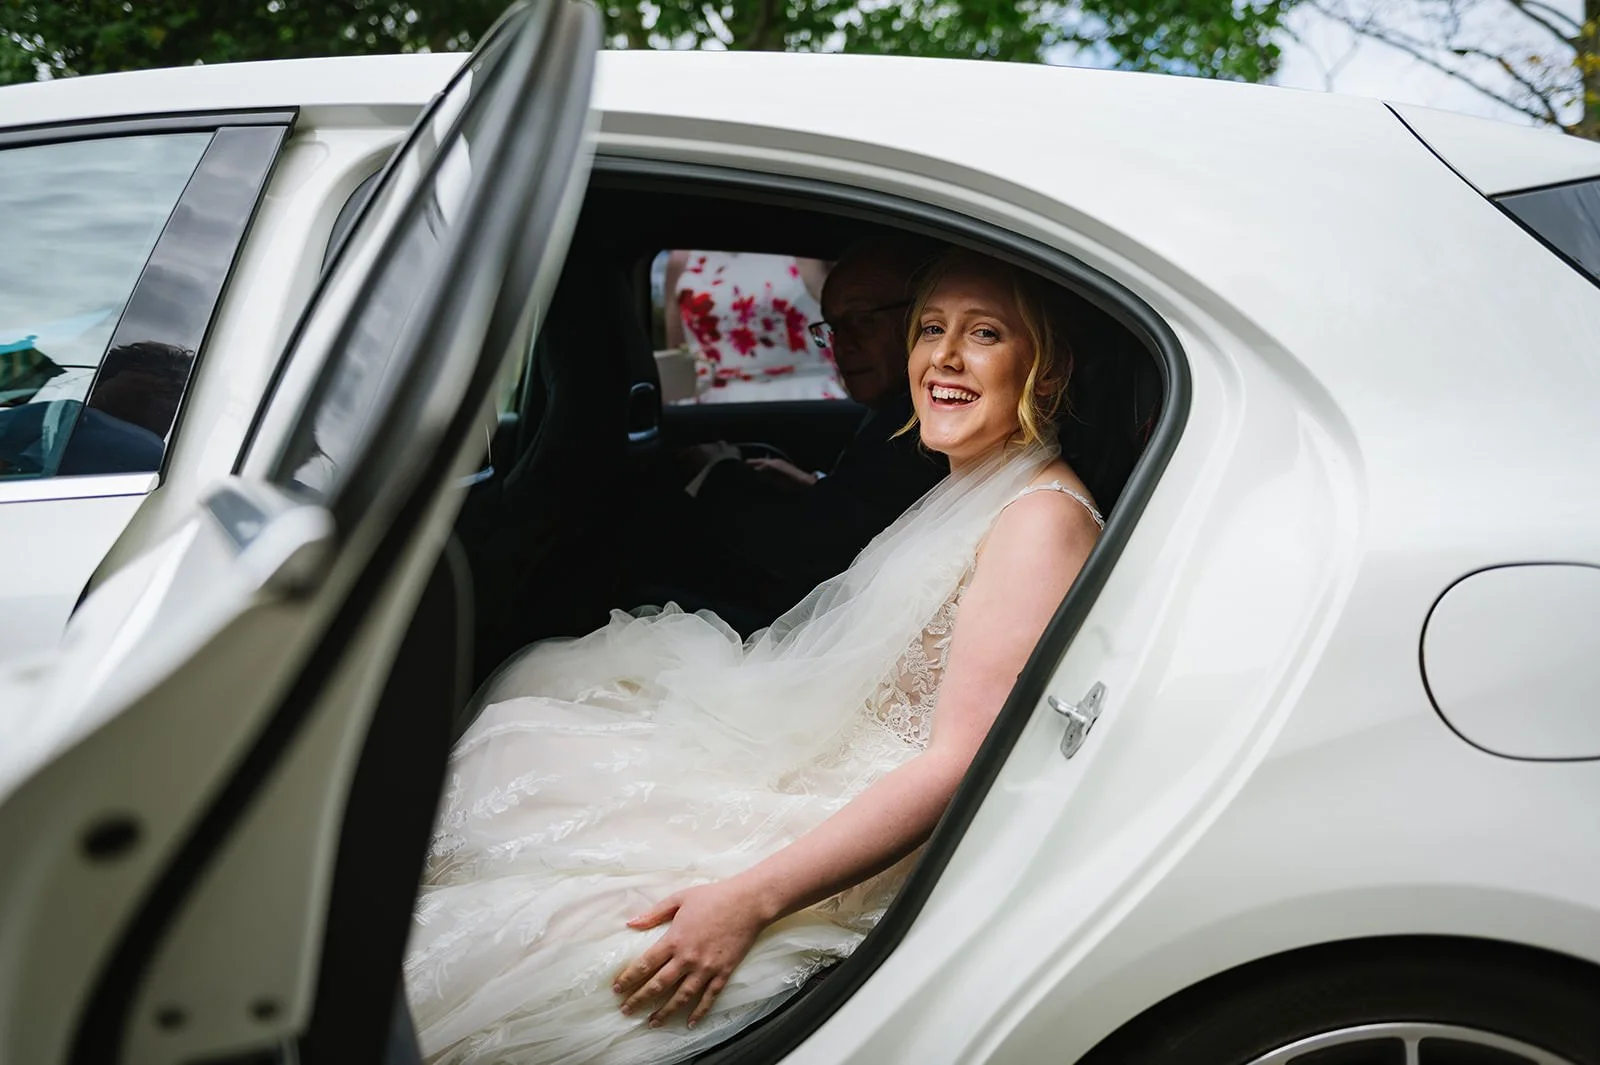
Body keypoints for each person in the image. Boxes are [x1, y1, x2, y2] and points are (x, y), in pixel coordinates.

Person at [404, 250, 1105, 1065]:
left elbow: (957, 763)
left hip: (860, 822)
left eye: (983, 334)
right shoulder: (978, 483)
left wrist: (750, 898)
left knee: (543, 931)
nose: (943, 357)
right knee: (525, 731)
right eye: (930, 330)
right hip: (824, 757)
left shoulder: (1038, 521)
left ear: (1045, 374)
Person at [658, 239, 950, 629]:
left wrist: (715, 474)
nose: (843, 345)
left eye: (863, 319)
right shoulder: (894, 408)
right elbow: (863, 513)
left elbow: (815, 551)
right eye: (832, 327)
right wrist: (816, 486)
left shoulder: (921, 425)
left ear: (926, 321)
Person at [664, 250, 844, 402]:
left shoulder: (809, 251)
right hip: (710, 406)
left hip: (806, 400)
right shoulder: (682, 258)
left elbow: (840, 328)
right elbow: (677, 353)